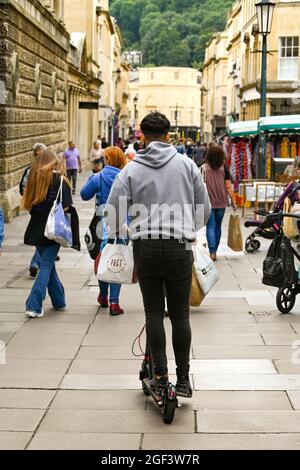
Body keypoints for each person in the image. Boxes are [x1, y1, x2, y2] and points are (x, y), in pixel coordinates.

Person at [105, 111, 211, 398]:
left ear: (142, 136)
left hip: (147, 247)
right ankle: (184, 379)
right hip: (179, 246)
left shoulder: (131, 169)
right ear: (168, 136)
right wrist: (189, 227)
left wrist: (128, 230)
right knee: (180, 314)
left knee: (153, 313)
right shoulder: (187, 165)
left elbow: (112, 214)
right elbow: (205, 209)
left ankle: (161, 377)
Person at [23, 150, 73, 318]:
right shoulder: (60, 180)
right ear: (54, 162)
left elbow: (28, 203)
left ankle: (59, 301)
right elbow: (66, 207)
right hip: (52, 230)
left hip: (36, 228)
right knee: (46, 265)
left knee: (48, 264)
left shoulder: (34, 178)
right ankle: (33, 305)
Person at [81, 147, 127, 316]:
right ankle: (115, 302)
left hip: (102, 224)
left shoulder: (98, 176)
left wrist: (91, 178)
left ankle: (103, 295)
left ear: (107, 159)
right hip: (121, 225)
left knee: (103, 259)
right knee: (117, 261)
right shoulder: (125, 176)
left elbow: (84, 194)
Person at [202, 144, 237, 262]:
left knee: (210, 226)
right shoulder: (224, 168)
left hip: (208, 202)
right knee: (217, 226)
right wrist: (234, 201)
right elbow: (228, 187)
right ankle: (215, 250)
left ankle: (212, 252)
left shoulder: (204, 168)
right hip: (222, 201)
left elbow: (199, 186)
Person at [20, 143, 47, 278]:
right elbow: (24, 187)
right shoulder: (35, 170)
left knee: (40, 235)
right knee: (42, 236)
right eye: (38, 155)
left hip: (40, 209)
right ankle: (36, 262)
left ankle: (37, 261)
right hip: (40, 208)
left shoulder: (36, 169)